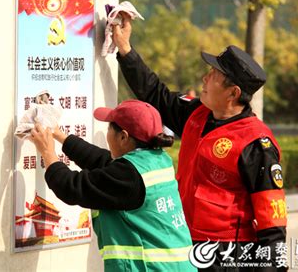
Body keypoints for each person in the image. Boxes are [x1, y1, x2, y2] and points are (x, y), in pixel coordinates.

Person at [112, 17, 287, 271]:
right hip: (183, 245)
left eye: (214, 75)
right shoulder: (197, 114)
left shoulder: (256, 144)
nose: (205, 79)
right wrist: (125, 49)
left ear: (233, 93)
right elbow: (155, 94)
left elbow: (273, 223)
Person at [30, 100, 196, 272]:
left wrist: (47, 152)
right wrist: (59, 135)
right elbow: (103, 162)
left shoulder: (129, 177)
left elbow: (72, 187)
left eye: (109, 128)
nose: (107, 133)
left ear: (123, 137)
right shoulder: (157, 160)